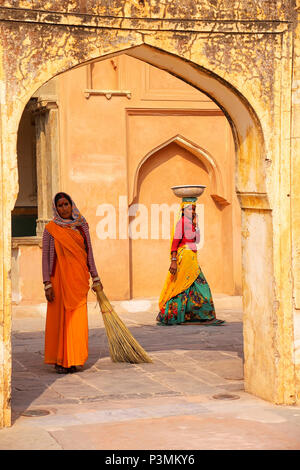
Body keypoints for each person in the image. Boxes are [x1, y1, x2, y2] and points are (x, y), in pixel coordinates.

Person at [42, 192, 103, 374]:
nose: (64, 208)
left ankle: (74, 358)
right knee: (59, 320)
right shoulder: (50, 229)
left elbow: (89, 253)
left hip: (77, 280)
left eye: (66, 204)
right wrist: (47, 283)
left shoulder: (82, 226)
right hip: (58, 280)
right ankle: (60, 360)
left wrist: (96, 277)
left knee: (76, 320)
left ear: (71, 205)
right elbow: (45, 257)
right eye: (60, 206)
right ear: (56, 208)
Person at [156, 198, 225, 326]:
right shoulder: (181, 223)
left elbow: (197, 241)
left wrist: (196, 224)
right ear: (183, 210)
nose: (192, 211)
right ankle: (176, 315)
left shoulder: (191, 224)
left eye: (193, 208)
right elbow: (174, 243)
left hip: (192, 259)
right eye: (189, 208)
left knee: (196, 287)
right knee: (190, 286)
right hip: (184, 259)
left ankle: (202, 317)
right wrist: (173, 261)